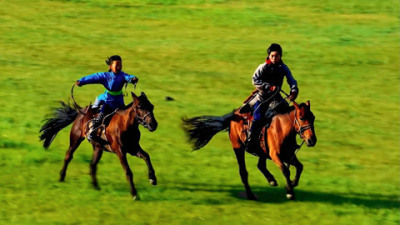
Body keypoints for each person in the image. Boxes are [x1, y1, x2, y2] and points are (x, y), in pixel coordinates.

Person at [246, 43, 299, 152]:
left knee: (289, 115)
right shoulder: (263, 67)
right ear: (269, 56)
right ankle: (251, 142)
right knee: (258, 117)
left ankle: (291, 142)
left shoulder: (284, 68)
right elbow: (254, 80)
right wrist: (268, 87)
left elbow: (292, 81)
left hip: (277, 98)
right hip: (262, 97)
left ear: (280, 56)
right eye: (272, 56)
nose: (274, 58)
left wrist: (293, 92)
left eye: (277, 56)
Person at [75, 55, 138, 144]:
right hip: (108, 101)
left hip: (119, 102)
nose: (119, 67)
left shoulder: (122, 75)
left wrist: (133, 79)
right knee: (100, 117)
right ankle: (91, 132)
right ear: (110, 66)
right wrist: (81, 81)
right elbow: (93, 77)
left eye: (120, 65)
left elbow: (128, 77)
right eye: (117, 65)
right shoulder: (105, 76)